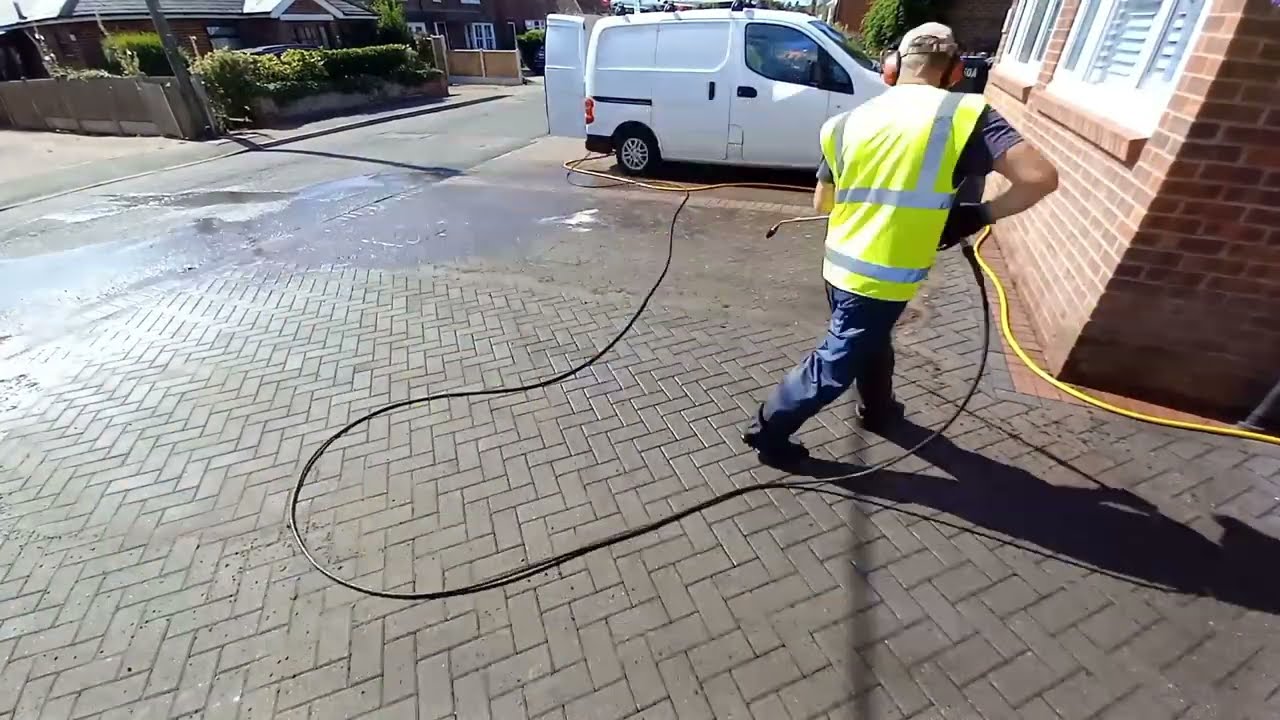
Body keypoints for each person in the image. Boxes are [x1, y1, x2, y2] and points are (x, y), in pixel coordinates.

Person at [742, 22, 1059, 463]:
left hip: (838, 266)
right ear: (954, 72)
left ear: (891, 68)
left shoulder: (844, 123)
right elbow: (1040, 178)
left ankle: (877, 409)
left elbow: (822, 204)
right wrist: (978, 215)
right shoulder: (965, 115)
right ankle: (769, 430)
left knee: (871, 342)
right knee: (838, 359)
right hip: (885, 274)